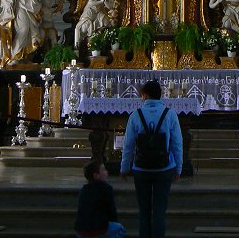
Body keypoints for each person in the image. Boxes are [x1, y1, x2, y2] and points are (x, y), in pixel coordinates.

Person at [120, 79, 183, 238]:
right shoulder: (170, 114)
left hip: (141, 167)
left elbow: (128, 144)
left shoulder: (136, 115)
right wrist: (179, 167)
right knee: (160, 210)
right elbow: (177, 143)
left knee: (144, 211)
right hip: (165, 167)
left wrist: (124, 167)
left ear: (145, 95)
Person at [74, 160, 125, 238]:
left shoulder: (84, 189)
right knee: (120, 229)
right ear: (96, 175)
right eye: (103, 170)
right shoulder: (106, 188)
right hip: (99, 229)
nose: (107, 172)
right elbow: (111, 210)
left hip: (81, 230)